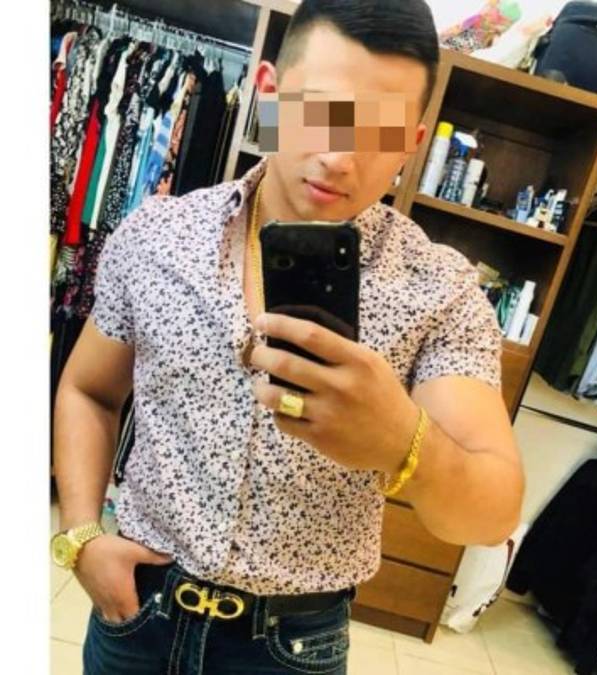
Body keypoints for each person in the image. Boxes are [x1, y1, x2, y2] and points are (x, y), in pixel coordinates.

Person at [52, 1, 524, 673]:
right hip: (135, 615)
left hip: (291, 649)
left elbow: (491, 512)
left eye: (379, 129)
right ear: (269, 94)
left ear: (412, 142)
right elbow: (88, 390)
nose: (338, 156)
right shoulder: (156, 236)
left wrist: (403, 441)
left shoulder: (440, 292)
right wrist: (79, 536)